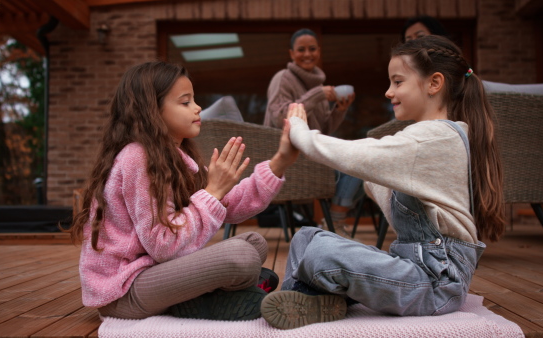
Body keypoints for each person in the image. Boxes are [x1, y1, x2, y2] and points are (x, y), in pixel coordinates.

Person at [260, 35, 505, 330]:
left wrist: (299, 127)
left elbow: (360, 156)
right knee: (306, 238)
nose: (388, 92)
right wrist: (363, 166)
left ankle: (301, 298)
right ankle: (308, 302)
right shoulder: (425, 138)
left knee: (321, 255)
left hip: (436, 285)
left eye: (398, 82)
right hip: (414, 272)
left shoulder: (436, 137)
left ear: (434, 83)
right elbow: (369, 167)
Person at [68, 61, 300, 321]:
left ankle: (218, 298)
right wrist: (211, 192)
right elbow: (162, 245)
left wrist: (280, 161)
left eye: (194, 100)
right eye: (185, 102)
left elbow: (231, 207)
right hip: (125, 291)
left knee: (254, 244)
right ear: (151, 110)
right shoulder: (137, 157)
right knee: (241, 257)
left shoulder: (179, 160)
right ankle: (214, 300)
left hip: (155, 275)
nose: (198, 107)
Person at [264, 28, 360, 236]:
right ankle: (334, 223)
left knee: (359, 162)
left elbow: (322, 130)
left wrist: (340, 110)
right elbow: (278, 117)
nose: (307, 54)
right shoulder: (283, 78)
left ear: (319, 51)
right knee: (352, 163)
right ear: (291, 53)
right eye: (301, 50)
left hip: (311, 157)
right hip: (291, 160)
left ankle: (334, 220)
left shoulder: (318, 84)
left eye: (312, 49)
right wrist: (317, 95)